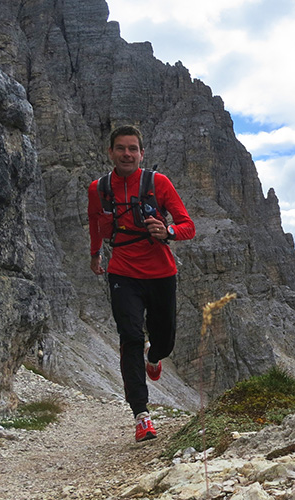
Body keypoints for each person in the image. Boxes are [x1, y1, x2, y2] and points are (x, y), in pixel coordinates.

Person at [87, 125, 195, 442]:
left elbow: (188, 225)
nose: (127, 154)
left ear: (141, 153)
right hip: (122, 271)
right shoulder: (99, 189)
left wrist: (168, 232)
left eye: (133, 148)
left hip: (161, 273)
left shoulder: (158, 183)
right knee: (130, 336)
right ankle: (141, 416)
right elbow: (95, 222)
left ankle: (154, 356)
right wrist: (96, 255)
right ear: (110, 152)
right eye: (121, 148)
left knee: (165, 341)